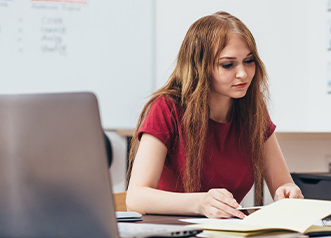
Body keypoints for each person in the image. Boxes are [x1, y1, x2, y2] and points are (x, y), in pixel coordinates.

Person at [125, 11, 303, 219]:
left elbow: (282, 183)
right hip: (175, 231)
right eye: (228, 65)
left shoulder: (253, 110)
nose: (243, 74)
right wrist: (200, 203)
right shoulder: (167, 108)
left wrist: (288, 191)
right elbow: (135, 198)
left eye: (249, 61)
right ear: (199, 67)